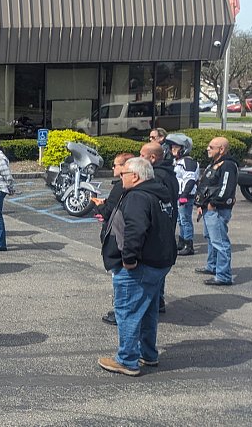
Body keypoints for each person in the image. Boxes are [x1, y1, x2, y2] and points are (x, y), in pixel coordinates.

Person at [97, 157, 177, 376]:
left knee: (128, 311)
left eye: (123, 174)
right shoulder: (158, 193)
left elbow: (135, 229)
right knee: (147, 311)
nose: (120, 177)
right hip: (159, 262)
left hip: (140, 265)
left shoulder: (138, 196)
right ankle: (148, 354)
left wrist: (129, 259)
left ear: (135, 176)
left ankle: (127, 360)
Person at [92, 152, 136, 326]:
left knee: (121, 281)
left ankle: (120, 312)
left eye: (117, 165)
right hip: (121, 243)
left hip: (118, 243)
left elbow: (111, 211)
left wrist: (100, 205)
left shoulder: (122, 187)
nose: (114, 168)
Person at [140, 140, 178, 312]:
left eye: (142, 156)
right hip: (167, 224)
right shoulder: (169, 173)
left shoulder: (158, 176)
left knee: (153, 265)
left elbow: (157, 202)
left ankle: (154, 301)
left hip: (160, 226)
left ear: (153, 158)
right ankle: (157, 300)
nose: (139, 158)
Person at [194, 136, 238, 286]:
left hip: (217, 209)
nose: (208, 149)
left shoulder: (228, 165)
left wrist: (214, 203)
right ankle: (212, 267)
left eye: (211, 147)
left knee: (220, 242)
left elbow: (226, 188)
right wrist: (201, 204)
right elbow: (206, 184)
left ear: (222, 149)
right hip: (208, 208)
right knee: (211, 239)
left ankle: (224, 275)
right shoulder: (214, 164)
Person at [166, 134, 199, 256]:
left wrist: (184, 194)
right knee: (180, 220)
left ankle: (189, 245)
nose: (173, 149)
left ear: (184, 148)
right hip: (178, 194)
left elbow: (190, 179)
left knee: (185, 220)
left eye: (176, 147)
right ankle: (181, 242)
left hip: (186, 195)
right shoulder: (177, 161)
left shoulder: (188, 162)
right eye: (172, 147)